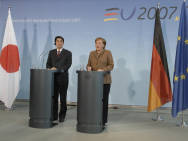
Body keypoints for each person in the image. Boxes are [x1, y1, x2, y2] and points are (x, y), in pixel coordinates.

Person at [87, 37, 114, 127]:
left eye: (99, 43)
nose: (97, 45)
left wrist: (102, 70)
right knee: (94, 100)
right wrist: (88, 68)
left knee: (104, 101)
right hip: (93, 81)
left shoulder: (108, 53)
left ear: (103, 45)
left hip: (105, 81)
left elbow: (111, 65)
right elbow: (88, 64)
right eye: (96, 43)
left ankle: (103, 121)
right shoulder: (91, 53)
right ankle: (94, 118)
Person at [46, 36, 72, 123]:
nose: (59, 43)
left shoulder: (68, 53)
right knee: (54, 98)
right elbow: (48, 64)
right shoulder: (51, 52)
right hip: (52, 78)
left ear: (63, 43)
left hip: (63, 78)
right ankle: (54, 116)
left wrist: (57, 68)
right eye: (57, 41)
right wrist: (50, 68)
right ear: (55, 43)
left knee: (63, 98)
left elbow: (68, 65)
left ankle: (62, 116)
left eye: (61, 41)